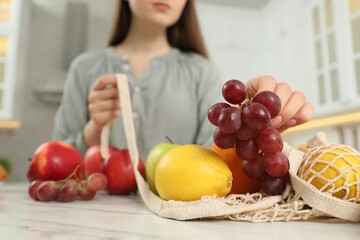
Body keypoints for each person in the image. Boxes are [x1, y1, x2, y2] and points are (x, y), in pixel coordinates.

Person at [52, 0, 313, 159]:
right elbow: (55, 162)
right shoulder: (85, 67)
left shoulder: (202, 71)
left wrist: (250, 131)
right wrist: (93, 132)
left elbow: (213, 159)